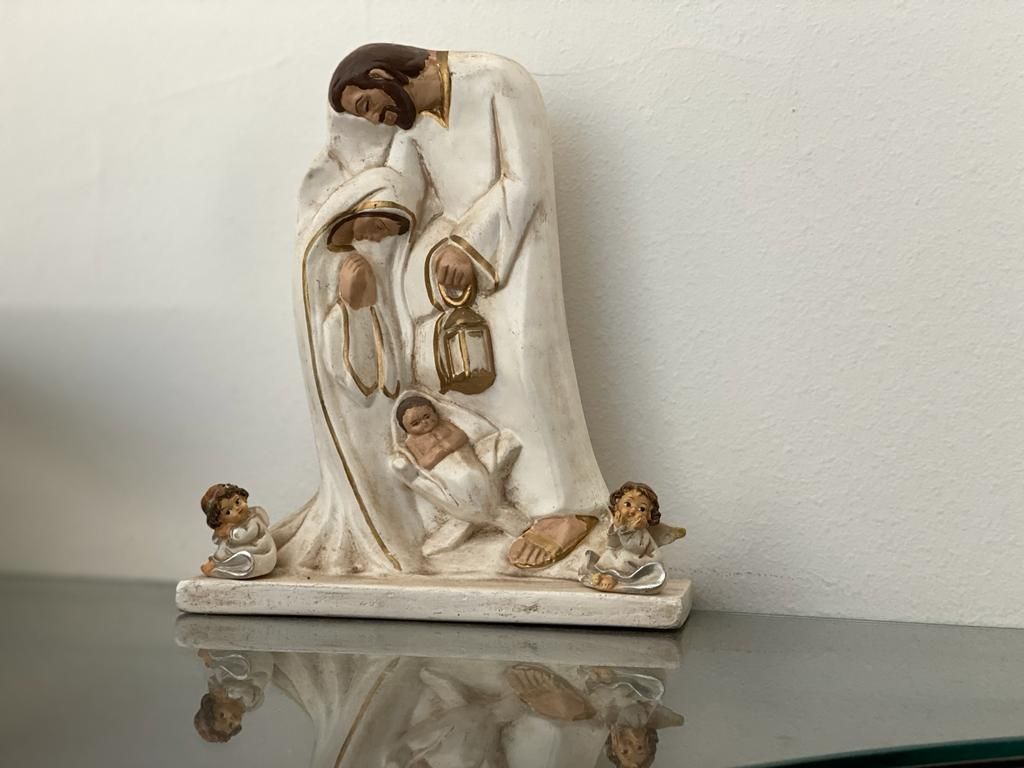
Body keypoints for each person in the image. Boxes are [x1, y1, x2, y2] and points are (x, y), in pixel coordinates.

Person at [326, 44, 609, 572]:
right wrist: (377, 218)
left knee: (529, 365)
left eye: (368, 105)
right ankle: (477, 495)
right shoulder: (410, 121)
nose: (376, 119)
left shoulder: (498, 79)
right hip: (450, 260)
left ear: (384, 74)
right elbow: (406, 184)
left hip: (514, 246)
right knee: (450, 370)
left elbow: (524, 178)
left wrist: (469, 244)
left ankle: (566, 507)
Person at [199, 484, 276, 579]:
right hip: (244, 548)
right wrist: (223, 532)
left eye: (237, 502)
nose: (237, 508)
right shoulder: (232, 525)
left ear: (243, 497)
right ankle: (216, 564)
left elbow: (247, 536)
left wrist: (230, 533)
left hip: (260, 550)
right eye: (228, 512)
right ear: (221, 520)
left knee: (244, 559)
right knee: (224, 548)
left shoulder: (253, 519)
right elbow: (218, 540)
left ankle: (218, 567)